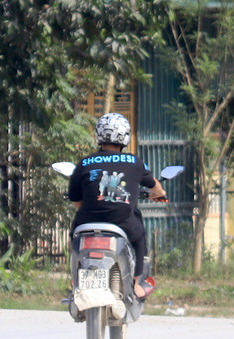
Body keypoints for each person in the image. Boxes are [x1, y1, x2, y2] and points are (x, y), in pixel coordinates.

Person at [67, 113, 164, 300]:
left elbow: (76, 202)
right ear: (125, 137)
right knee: (139, 238)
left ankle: (75, 278)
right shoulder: (135, 162)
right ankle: (136, 284)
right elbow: (155, 186)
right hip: (122, 222)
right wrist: (159, 194)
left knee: (75, 238)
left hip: (87, 221)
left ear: (98, 135)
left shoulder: (84, 163)